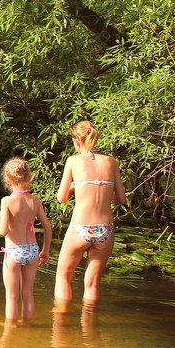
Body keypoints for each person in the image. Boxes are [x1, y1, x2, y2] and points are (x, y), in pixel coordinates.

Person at [54, 120, 125, 307]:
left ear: (77, 140)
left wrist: (73, 187)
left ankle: (60, 325)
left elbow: (61, 198)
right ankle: (89, 328)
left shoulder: (73, 161)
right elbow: (121, 199)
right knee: (92, 284)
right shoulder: (111, 162)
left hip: (80, 228)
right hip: (105, 229)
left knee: (63, 275)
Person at [0, 157, 52, 324]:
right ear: (29, 177)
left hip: (14, 252)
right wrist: (45, 251)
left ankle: (11, 331)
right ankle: (27, 328)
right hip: (32, 250)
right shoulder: (35, 201)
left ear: (7, 179)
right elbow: (48, 228)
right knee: (28, 294)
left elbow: (3, 231)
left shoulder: (7, 201)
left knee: (12, 297)